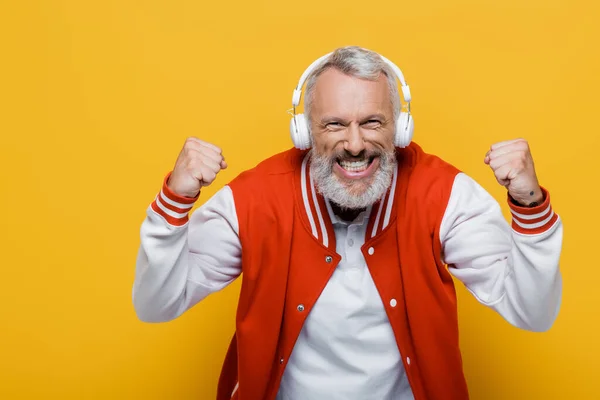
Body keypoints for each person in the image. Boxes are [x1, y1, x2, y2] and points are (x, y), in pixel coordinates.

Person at [132, 46, 563, 400]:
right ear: (304, 132)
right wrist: (176, 199)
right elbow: (156, 305)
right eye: (334, 124)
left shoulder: (445, 194)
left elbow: (532, 312)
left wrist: (528, 203)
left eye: (372, 122)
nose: (354, 145)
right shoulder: (255, 198)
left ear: (400, 127)